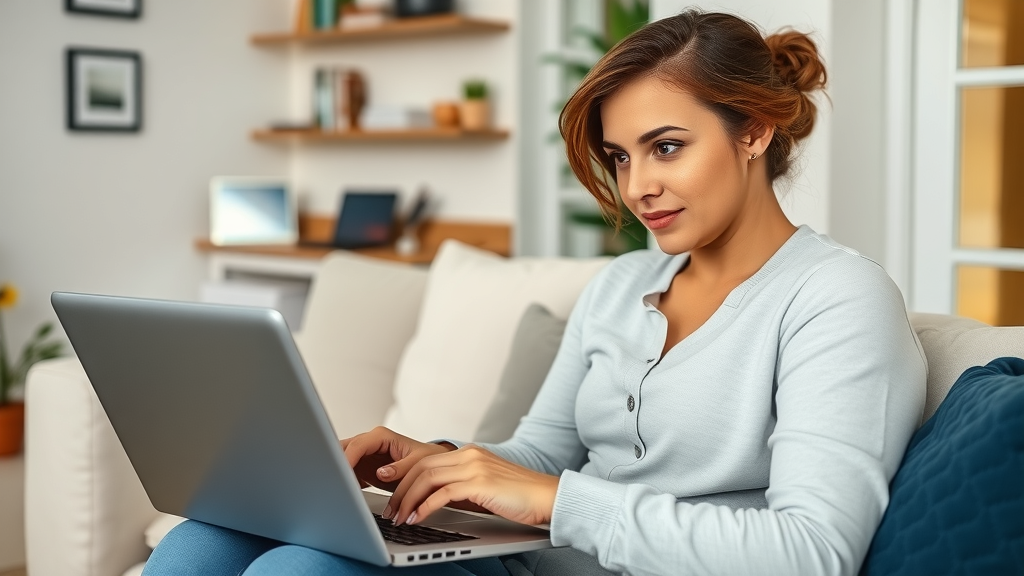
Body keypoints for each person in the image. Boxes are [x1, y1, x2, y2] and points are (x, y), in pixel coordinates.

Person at [143, 8, 926, 576]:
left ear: (753, 130)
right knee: (205, 536)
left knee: (300, 574)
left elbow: (812, 553)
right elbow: (544, 455)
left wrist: (554, 502)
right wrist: (443, 461)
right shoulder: (623, 284)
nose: (639, 186)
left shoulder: (838, 299)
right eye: (621, 158)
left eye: (667, 147)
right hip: (524, 561)